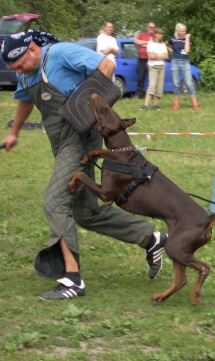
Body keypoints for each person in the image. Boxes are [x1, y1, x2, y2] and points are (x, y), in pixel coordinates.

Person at [1, 29, 167, 300]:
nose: (18, 70)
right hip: (59, 141)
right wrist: (14, 132)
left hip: (79, 138)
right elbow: (24, 100)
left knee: (55, 203)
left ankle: (72, 280)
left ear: (32, 49)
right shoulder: (25, 72)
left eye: (19, 64)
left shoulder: (61, 52)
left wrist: (88, 107)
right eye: (13, 67)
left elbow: (107, 64)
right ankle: (150, 237)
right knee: (85, 212)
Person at [167, 23, 199, 110]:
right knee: (176, 83)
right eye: (181, 31)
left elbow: (187, 50)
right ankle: (176, 104)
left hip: (185, 63)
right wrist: (172, 50)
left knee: (189, 83)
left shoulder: (188, 39)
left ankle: (195, 104)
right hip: (174, 62)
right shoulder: (172, 39)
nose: (183, 32)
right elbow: (166, 44)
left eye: (184, 31)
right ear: (177, 31)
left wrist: (187, 38)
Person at [140, 27, 168, 111]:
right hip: (153, 66)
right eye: (159, 33)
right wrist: (160, 56)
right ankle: (145, 105)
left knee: (159, 86)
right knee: (152, 85)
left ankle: (155, 105)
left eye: (161, 34)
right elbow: (151, 56)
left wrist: (157, 56)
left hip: (161, 66)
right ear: (155, 34)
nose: (160, 35)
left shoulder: (163, 44)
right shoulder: (150, 43)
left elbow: (166, 56)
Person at [134, 21, 155, 99]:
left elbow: (155, 46)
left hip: (151, 60)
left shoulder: (156, 36)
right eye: (150, 27)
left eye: (153, 27)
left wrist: (142, 44)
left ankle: (152, 95)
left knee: (152, 78)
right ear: (147, 28)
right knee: (140, 78)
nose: (152, 29)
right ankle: (139, 94)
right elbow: (136, 41)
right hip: (141, 60)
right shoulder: (142, 35)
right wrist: (148, 42)